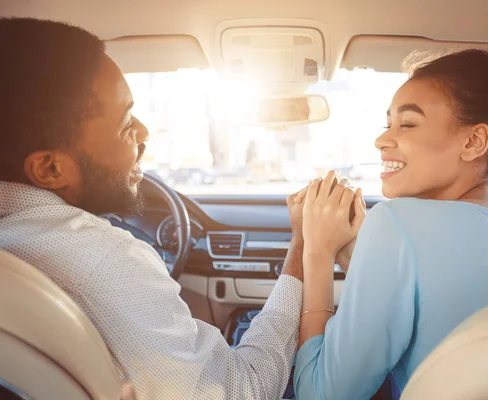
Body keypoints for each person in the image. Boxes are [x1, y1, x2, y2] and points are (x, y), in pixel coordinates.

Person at [0, 17, 319, 399]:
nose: (144, 133)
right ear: (50, 168)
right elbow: (243, 390)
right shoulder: (107, 259)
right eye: (125, 125)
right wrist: (304, 244)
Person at [292, 34, 488, 399]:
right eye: (387, 123)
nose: (382, 141)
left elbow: (321, 395)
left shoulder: (396, 222)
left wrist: (315, 250)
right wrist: (357, 258)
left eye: (407, 124)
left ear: (473, 142)